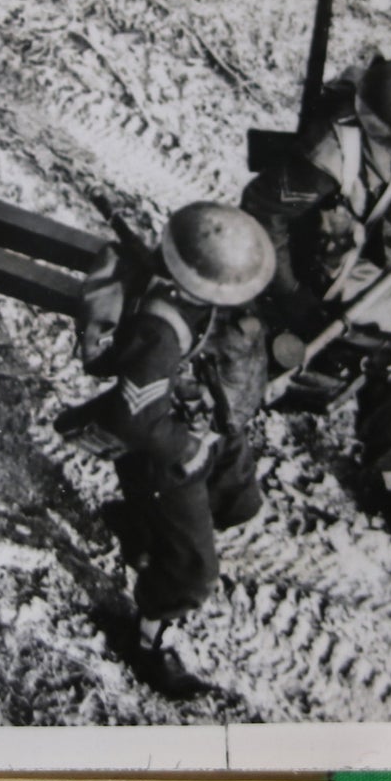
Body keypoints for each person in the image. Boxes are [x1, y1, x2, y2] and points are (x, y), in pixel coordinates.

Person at [241, 55, 391, 534]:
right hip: (315, 257)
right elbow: (263, 210)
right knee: (268, 352)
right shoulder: (329, 154)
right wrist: (293, 298)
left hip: (375, 256)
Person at [61, 202, 275, 696]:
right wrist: (189, 451)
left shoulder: (189, 295)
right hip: (169, 454)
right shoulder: (161, 331)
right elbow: (132, 418)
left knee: (237, 501)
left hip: (208, 421)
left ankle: (141, 525)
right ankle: (147, 641)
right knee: (193, 571)